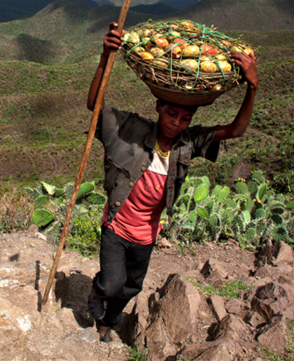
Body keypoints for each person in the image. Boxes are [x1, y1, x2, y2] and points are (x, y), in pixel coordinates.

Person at [87, 22, 258, 342]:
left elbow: (235, 130)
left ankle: (109, 321)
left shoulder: (187, 143)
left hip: (147, 235)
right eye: (171, 115)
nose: (177, 123)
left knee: (131, 287)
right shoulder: (132, 131)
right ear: (159, 107)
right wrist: (105, 57)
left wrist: (252, 87)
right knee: (111, 284)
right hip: (116, 228)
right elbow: (95, 104)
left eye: (185, 119)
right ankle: (97, 293)